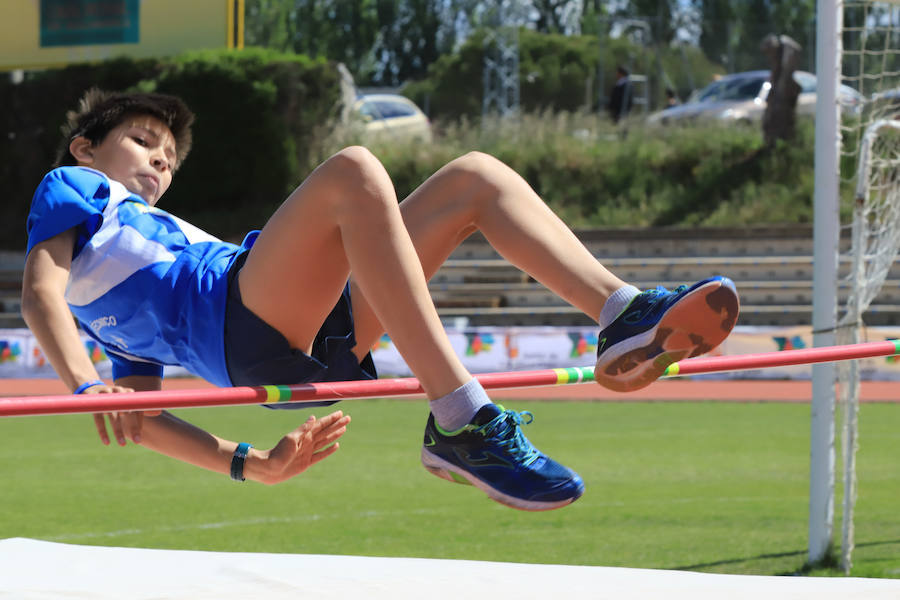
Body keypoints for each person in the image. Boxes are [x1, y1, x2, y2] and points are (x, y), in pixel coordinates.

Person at [22, 89, 739, 510]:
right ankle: (461, 419)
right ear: (85, 150)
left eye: (169, 158)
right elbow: (40, 292)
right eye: (142, 141)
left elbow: (140, 419)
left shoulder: (131, 270)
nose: (158, 160)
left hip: (303, 321)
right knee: (355, 173)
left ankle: (621, 313)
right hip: (241, 317)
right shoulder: (74, 189)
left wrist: (256, 465)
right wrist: (85, 384)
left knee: (473, 179)